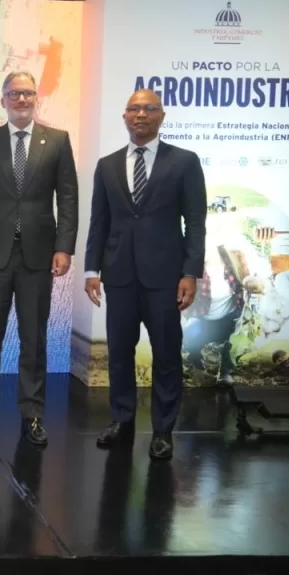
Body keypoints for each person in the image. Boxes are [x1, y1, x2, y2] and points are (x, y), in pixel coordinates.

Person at [85, 88, 206, 460]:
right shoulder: (107, 165)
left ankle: (163, 430)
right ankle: (121, 421)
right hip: (119, 275)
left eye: (149, 109)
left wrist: (190, 273)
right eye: (134, 109)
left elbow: (196, 222)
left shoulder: (184, 162)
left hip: (165, 277)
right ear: (124, 117)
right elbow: (99, 221)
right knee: (119, 353)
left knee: (166, 354)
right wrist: (91, 269)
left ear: (162, 116)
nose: (141, 115)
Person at [0, 71, 78, 446]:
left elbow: (68, 197)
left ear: (36, 98)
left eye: (28, 93)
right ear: (3, 100)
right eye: (15, 94)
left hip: (38, 257)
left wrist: (64, 247)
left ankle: (32, 413)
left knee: (34, 338)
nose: (22, 99)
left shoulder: (58, 141)